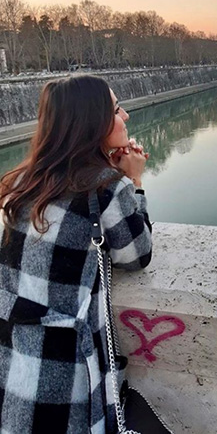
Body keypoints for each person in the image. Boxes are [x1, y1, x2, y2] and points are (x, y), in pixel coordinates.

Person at [0, 75, 152, 433]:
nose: (126, 116)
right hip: (64, 369)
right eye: (116, 110)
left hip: (12, 356)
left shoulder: (19, 183)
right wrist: (135, 182)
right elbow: (136, 254)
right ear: (93, 122)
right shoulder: (105, 188)